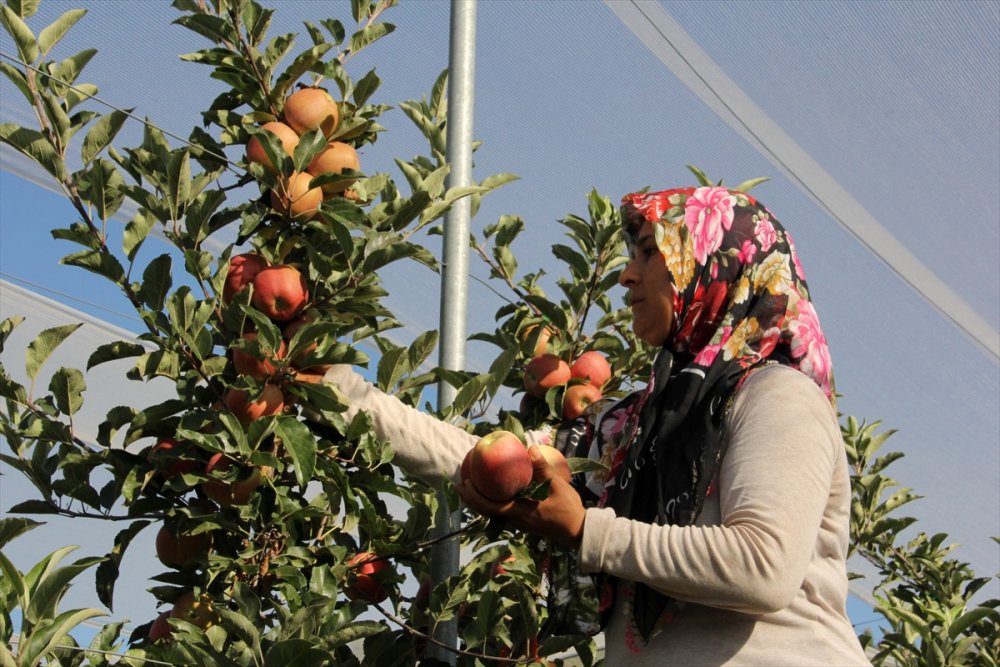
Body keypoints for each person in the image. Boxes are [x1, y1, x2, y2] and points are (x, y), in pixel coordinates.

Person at [322, 182, 873, 665]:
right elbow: (490, 456)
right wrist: (331, 390)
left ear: (716, 263)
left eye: (652, 253)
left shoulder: (777, 396)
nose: (626, 275)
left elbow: (762, 566)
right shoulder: (630, 430)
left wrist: (586, 529)